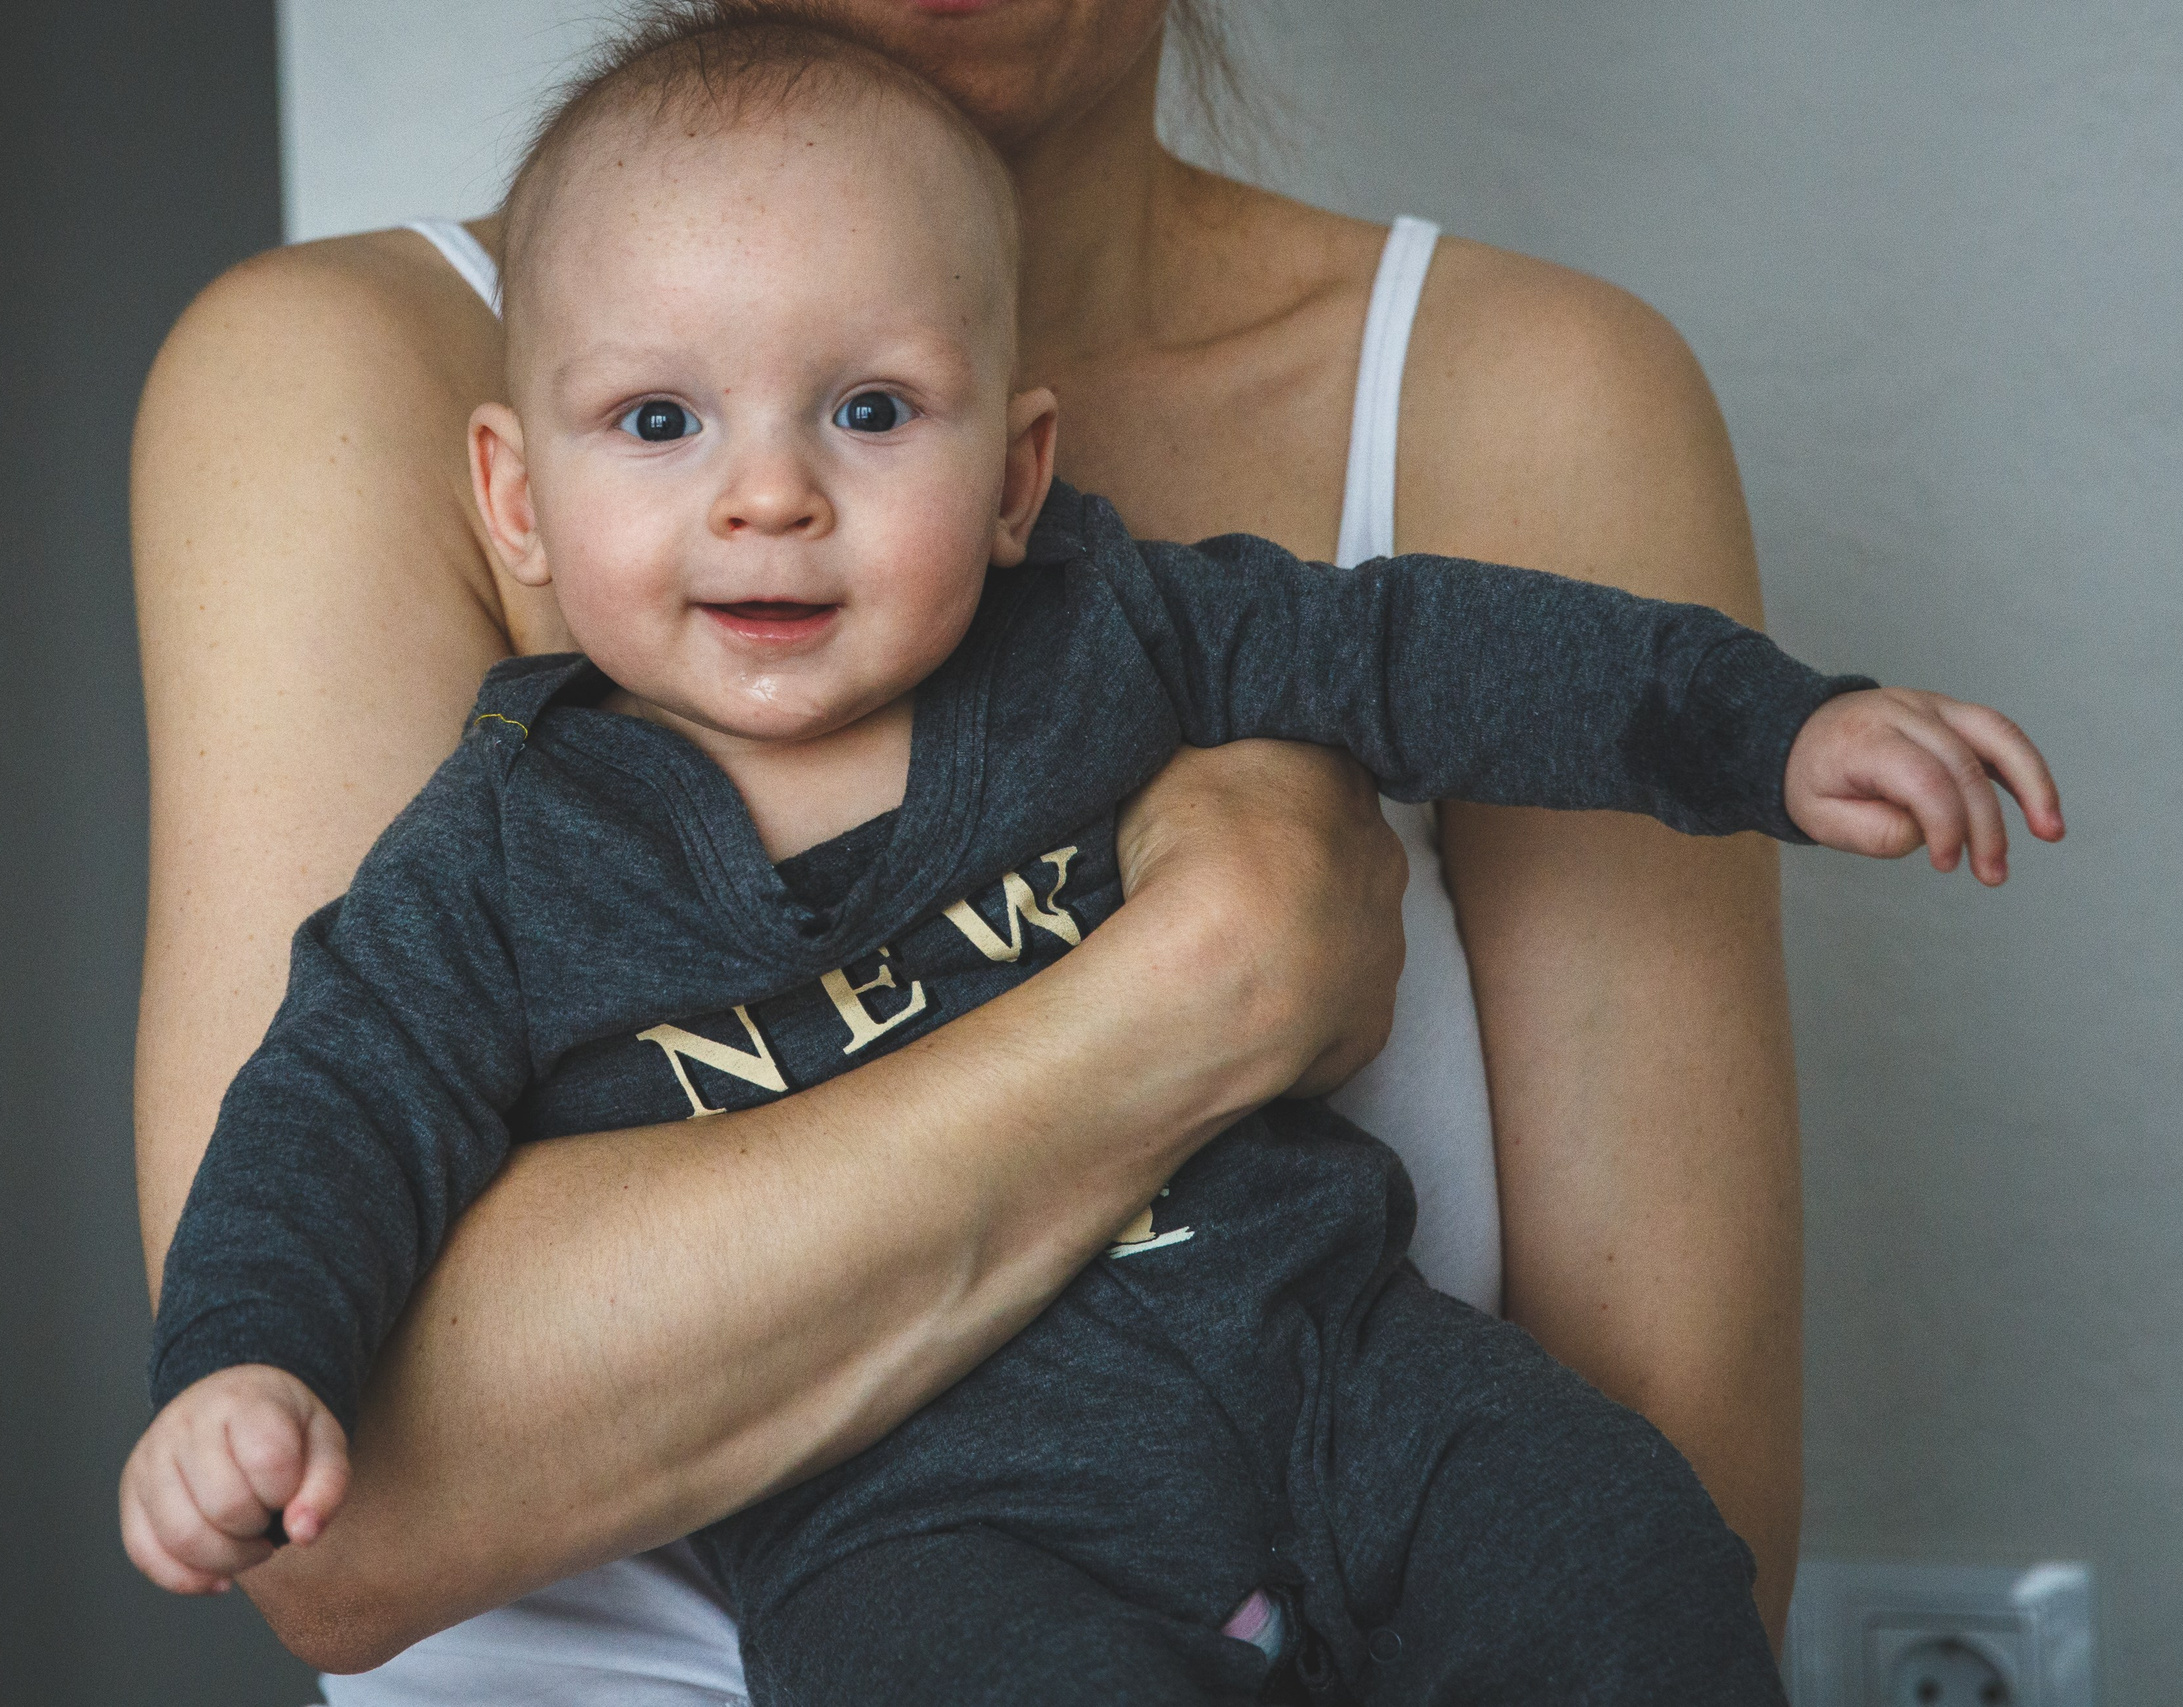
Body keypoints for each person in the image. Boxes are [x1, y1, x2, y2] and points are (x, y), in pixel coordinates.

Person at [122, 17, 2059, 1702]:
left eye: (870, 413)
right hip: (925, 1525)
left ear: (1020, 471)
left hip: (1339, 1376)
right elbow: (323, 1127)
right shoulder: (491, 852)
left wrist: (1771, 727)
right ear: (512, 498)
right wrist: (242, 1361)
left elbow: (1433, 647)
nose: (769, 492)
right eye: (657, 421)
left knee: (1611, 1545)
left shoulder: (1109, 624)